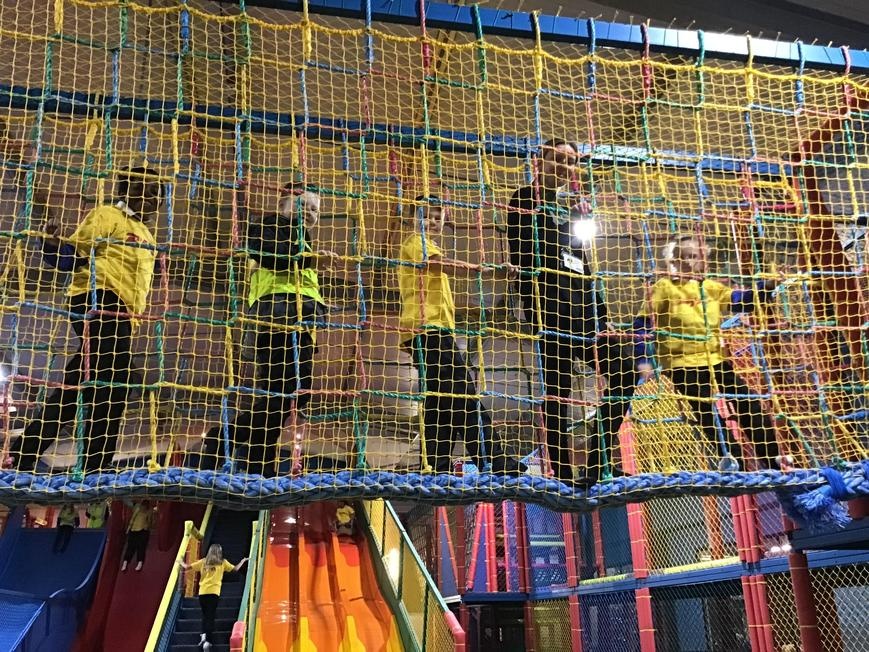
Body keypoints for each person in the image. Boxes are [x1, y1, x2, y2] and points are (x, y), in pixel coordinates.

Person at [9, 166, 163, 473]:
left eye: (154, 192)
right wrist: (52, 245)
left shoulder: (148, 237)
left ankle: (22, 454)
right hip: (99, 300)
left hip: (125, 314)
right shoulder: (107, 215)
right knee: (113, 383)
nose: (147, 196)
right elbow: (73, 256)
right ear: (123, 191)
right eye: (139, 188)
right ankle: (96, 466)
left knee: (78, 385)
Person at [506, 139, 637, 486]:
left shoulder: (568, 209)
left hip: (585, 313)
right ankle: (563, 473)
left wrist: (603, 315)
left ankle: (598, 462)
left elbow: (583, 264)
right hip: (550, 309)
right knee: (558, 390)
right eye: (560, 159)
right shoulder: (525, 200)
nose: (567, 167)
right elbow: (535, 251)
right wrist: (573, 219)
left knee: (624, 371)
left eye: (572, 162)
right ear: (540, 162)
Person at [202, 182, 326, 476]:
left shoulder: (303, 238)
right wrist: (307, 258)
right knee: (287, 394)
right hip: (277, 318)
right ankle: (227, 439)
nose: (309, 213)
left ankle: (257, 466)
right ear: (283, 205)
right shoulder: (271, 225)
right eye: (303, 205)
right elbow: (269, 253)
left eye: (315, 210)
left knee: (282, 397)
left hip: (300, 322)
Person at [634, 234, 788, 470]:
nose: (691, 261)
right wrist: (643, 358)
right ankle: (735, 462)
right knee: (708, 413)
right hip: (682, 364)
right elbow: (642, 323)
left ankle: (772, 457)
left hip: (714, 359)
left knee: (748, 403)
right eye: (686, 256)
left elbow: (741, 300)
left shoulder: (710, 287)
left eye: (696, 256)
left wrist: (766, 286)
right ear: (675, 260)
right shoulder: (664, 287)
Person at [398, 195, 519, 474]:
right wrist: (485, 271)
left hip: (428, 331)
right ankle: (494, 460)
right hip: (430, 330)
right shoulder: (416, 242)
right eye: (426, 215)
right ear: (412, 218)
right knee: (463, 393)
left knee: (440, 399)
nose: (433, 221)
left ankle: (435, 464)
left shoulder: (425, 245)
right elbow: (437, 264)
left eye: (438, 217)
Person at [178, 544, 248, 651]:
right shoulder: (222, 562)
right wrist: (243, 561)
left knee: (205, 615)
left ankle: (203, 635)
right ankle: (208, 641)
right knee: (210, 617)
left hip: (202, 593)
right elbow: (235, 569)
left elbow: (187, 567)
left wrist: (180, 562)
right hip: (214, 593)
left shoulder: (203, 562)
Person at [122, 500, 154, 571]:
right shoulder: (137, 507)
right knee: (130, 547)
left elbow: (150, 522)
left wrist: (148, 526)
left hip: (142, 530)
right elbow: (133, 518)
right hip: (134, 530)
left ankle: (139, 562)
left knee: (140, 547)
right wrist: (128, 529)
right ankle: (126, 562)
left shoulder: (149, 511)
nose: (143, 508)